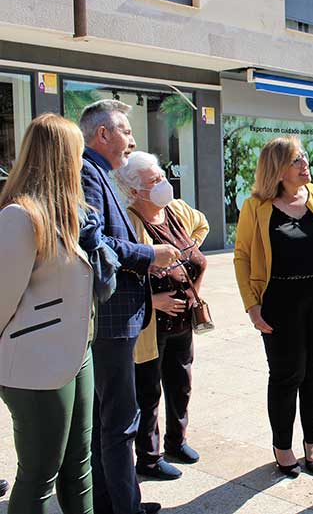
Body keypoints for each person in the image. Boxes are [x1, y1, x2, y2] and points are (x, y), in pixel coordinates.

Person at [80, 100, 180, 514]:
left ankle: (116, 502)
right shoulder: (88, 171)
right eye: (125, 130)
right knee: (118, 421)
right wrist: (147, 254)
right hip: (111, 319)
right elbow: (91, 238)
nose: (133, 140)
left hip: (118, 317)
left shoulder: (102, 173)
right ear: (102, 134)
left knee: (112, 419)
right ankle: (125, 507)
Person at [234, 136, 313, 477]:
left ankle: (312, 441)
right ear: (278, 169)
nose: (305, 164)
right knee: (287, 374)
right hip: (279, 300)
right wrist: (251, 305)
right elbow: (241, 256)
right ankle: (282, 446)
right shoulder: (255, 207)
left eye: (305, 158)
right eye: (297, 160)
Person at [0, 113, 95, 514]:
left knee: (79, 467)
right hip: (34, 365)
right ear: (60, 157)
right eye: (78, 152)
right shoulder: (19, 217)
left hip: (75, 356)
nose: (83, 162)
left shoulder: (65, 215)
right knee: (40, 475)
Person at [113, 152, 209, 481]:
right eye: (154, 181)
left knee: (181, 384)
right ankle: (149, 459)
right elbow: (118, 278)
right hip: (148, 328)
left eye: (162, 177)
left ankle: (176, 441)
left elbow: (202, 225)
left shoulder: (176, 211)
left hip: (182, 322)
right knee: (148, 391)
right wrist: (154, 300)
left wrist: (191, 266)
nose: (163, 184)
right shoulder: (127, 222)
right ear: (132, 190)